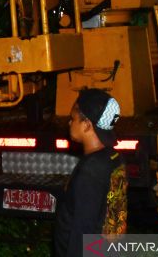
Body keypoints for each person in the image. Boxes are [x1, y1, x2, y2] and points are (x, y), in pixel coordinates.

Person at [54, 88, 128, 257]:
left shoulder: (91, 169)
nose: (69, 123)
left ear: (87, 125)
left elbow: (83, 228)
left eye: (73, 119)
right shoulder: (115, 158)